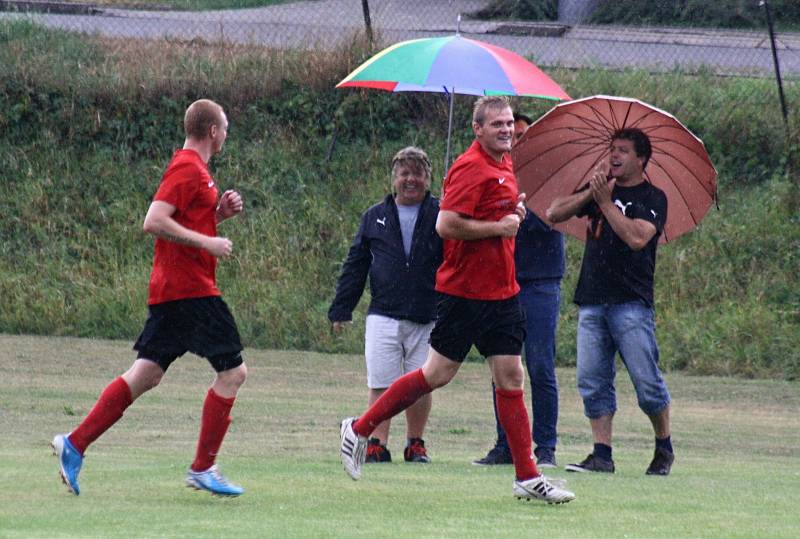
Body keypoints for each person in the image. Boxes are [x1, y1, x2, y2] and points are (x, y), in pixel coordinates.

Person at [339, 96, 575, 504]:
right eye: (497, 124)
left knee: (512, 377)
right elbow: (446, 224)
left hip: (503, 292)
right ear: (477, 129)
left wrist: (512, 213)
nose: (505, 130)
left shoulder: (505, 164)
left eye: (508, 123)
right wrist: (497, 226)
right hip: (465, 294)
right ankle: (359, 429)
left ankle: (527, 476)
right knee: (436, 375)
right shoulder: (470, 166)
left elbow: (499, 217)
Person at [52, 99, 248, 497]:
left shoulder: (199, 172)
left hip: (173, 292)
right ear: (213, 131)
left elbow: (183, 222)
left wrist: (218, 216)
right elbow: (154, 220)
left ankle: (75, 444)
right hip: (190, 291)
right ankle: (203, 467)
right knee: (233, 373)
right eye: (224, 128)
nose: (226, 135)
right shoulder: (188, 168)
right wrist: (209, 241)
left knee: (146, 374)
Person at [546, 127, 675, 476]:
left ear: (641, 159)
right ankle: (602, 453)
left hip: (631, 302)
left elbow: (636, 237)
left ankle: (663, 446)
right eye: (612, 149)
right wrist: (592, 191)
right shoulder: (601, 188)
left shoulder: (653, 197)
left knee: (646, 381)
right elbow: (554, 212)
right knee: (592, 379)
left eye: (623, 151)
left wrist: (605, 203)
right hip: (592, 299)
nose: (614, 156)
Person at [328, 146, 442, 464]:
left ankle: (415, 443)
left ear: (427, 178)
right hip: (383, 312)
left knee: (421, 382)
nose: (410, 180)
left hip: (426, 313)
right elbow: (356, 265)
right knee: (381, 379)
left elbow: (455, 263)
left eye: (417, 173)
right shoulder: (374, 216)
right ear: (393, 178)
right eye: (404, 173)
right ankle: (377, 441)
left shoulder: (441, 214)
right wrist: (341, 308)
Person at [474, 112, 565, 469]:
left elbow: (552, 222)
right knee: (501, 365)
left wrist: (521, 209)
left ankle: (545, 446)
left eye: (523, 134)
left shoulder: (551, 177)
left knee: (540, 365)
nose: (516, 139)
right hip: (502, 279)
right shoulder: (494, 173)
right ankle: (505, 444)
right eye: (512, 132)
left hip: (540, 280)